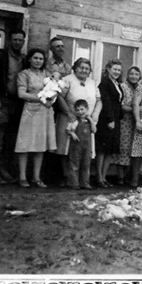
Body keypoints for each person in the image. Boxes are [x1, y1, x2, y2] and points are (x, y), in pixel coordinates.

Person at [0, 29, 26, 185]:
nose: (17, 42)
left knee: (10, 140)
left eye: (20, 40)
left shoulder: (24, 59)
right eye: (15, 39)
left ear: (23, 41)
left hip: (17, 104)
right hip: (2, 102)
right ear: (10, 40)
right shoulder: (0, 56)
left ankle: (4, 169)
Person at [55, 58, 102, 188]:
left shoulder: (92, 83)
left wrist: (95, 114)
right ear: (75, 68)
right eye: (81, 67)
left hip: (87, 121)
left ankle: (82, 181)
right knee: (67, 149)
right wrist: (68, 112)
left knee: (84, 151)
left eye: (87, 68)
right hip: (69, 118)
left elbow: (98, 100)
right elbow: (59, 97)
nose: (84, 70)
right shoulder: (68, 80)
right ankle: (68, 178)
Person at [14, 48, 57, 188]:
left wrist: (51, 99)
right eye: (35, 58)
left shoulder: (47, 74)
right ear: (30, 59)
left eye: (41, 59)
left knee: (40, 145)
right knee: (25, 144)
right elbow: (21, 94)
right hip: (30, 111)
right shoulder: (24, 74)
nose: (38, 61)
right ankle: (22, 177)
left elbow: (54, 90)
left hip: (45, 113)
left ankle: (36, 177)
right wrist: (41, 99)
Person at [46, 36, 72, 187]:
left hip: (62, 106)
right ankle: (49, 176)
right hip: (50, 104)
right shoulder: (48, 65)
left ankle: (60, 175)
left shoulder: (67, 67)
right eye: (57, 47)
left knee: (60, 141)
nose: (60, 49)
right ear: (51, 49)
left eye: (62, 46)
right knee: (49, 140)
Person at [95, 59, 124, 188]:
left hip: (116, 119)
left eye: (119, 70)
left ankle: (104, 176)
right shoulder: (105, 83)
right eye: (115, 69)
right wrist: (110, 119)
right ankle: (99, 178)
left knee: (110, 151)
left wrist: (118, 119)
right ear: (108, 69)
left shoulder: (117, 83)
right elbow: (106, 102)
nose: (117, 72)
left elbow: (118, 102)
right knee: (102, 149)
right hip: (107, 120)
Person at [110, 66, 141, 185]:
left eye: (136, 74)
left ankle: (128, 175)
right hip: (125, 120)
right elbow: (121, 105)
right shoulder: (123, 86)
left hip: (136, 122)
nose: (134, 76)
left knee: (132, 149)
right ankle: (120, 176)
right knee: (123, 147)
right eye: (131, 74)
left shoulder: (140, 88)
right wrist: (135, 109)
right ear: (128, 75)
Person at [66, 99, 97, 190]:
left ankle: (85, 183)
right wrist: (73, 134)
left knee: (86, 165)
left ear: (87, 109)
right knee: (74, 164)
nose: (80, 112)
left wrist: (91, 120)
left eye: (82, 109)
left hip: (87, 147)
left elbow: (94, 130)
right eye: (77, 110)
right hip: (76, 146)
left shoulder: (89, 120)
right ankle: (74, 183)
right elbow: (68, 130)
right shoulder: (75, 121)